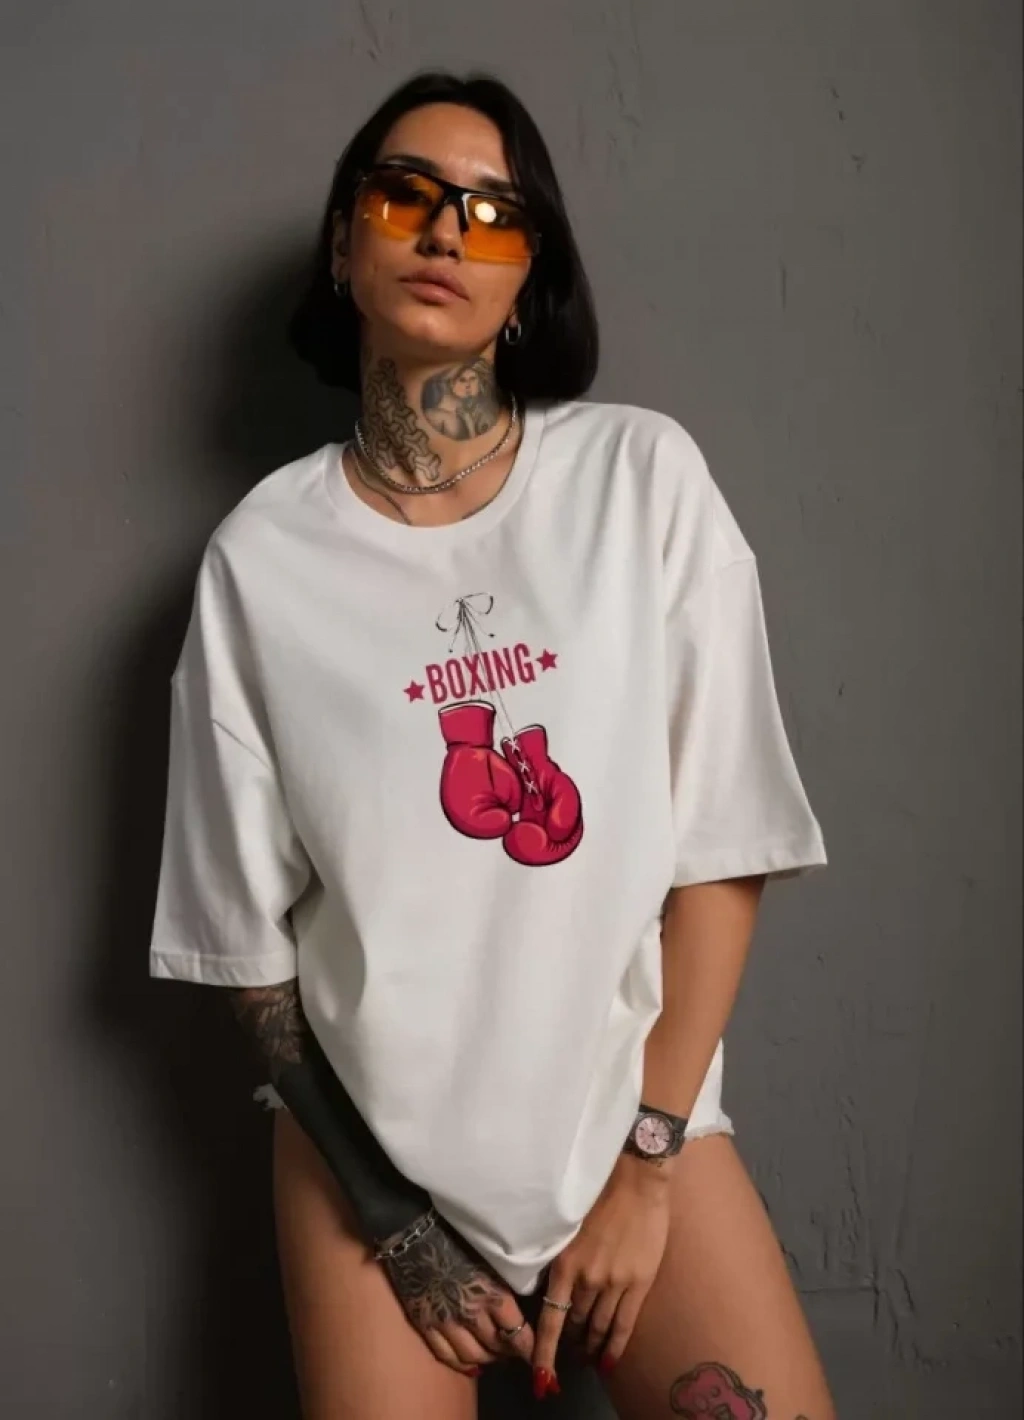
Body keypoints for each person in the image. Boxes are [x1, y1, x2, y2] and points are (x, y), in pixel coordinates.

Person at [148, 70, 836, 1420]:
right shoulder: (260, 563)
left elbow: (724, 840)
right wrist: (394, 1220)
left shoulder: (640, 482)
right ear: (344, 245)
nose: (445, 232)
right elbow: (248, 952)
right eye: (404, 196)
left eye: (492, 212)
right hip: (370, 1173)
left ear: (529, 278)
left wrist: (649, 1163)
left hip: (630, 1126)